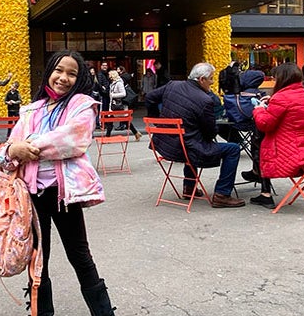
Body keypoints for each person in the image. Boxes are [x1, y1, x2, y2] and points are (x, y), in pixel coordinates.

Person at [0, 49, 139, 316]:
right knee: (38, 260)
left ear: (80, 78)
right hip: (31, 195)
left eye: (72, 73)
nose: (63, 78)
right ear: (49, 71)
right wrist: (12, 150)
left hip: (64, 196)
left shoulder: (82, 105)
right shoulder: (30, 111)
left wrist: (24, 147)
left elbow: (72, 141)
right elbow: (5, 155)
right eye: (58, 71)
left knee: (81, 256)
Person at [145, 62, 245, 208]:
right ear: (201, 79)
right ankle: (222, 194)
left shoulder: (172, 85)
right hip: (186, 150)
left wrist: (158, 120)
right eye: (211, 79)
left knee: (192, 139)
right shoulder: (205, 100)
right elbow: (210, 133)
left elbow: (149, 97)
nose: (212, 82)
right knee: (233, 149)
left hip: (165, 145)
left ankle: (189, 188)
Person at [249, 63, 304, 208]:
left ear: (282, 78)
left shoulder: (281, 97)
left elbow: (265, 124)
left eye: (275, 78)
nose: (274, 81)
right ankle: (256, 175)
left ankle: (264, 191)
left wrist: (258, 109)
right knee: (260, 142)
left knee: (259, 143)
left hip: (292, 155)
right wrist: (271, 102)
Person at [221, 68, 265, 173]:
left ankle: (237, 141)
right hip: (255, 126)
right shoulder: (261, 95)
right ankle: (257, 170)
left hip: (235, 123)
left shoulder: (234, 96)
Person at [107, 69, 141, 140]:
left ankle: (107, 137)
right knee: (114, 120)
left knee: (124, 120)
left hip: (119, 105)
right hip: (114, 105)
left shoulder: (119, 83)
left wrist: (113, 95)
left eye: (110, 75)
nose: (109, 76)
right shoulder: (113, 83)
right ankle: (136, 133)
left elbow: (123, 93)